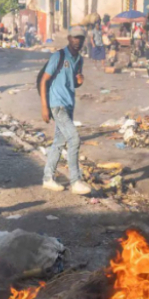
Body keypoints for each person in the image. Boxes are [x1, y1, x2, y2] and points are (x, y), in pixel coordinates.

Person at [41, 26, 93, 196]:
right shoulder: (58, 56)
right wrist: (44, 107)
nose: (77, 41)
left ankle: (48, 178)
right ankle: (75, 181)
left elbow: (73, 82)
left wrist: (79, 82)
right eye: (75, 38)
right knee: (74, 139)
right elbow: (44, 80)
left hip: (69, 105)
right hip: (57, 105)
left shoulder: (79, 59)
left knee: (58, 142)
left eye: (81, 38)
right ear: (69, 38)